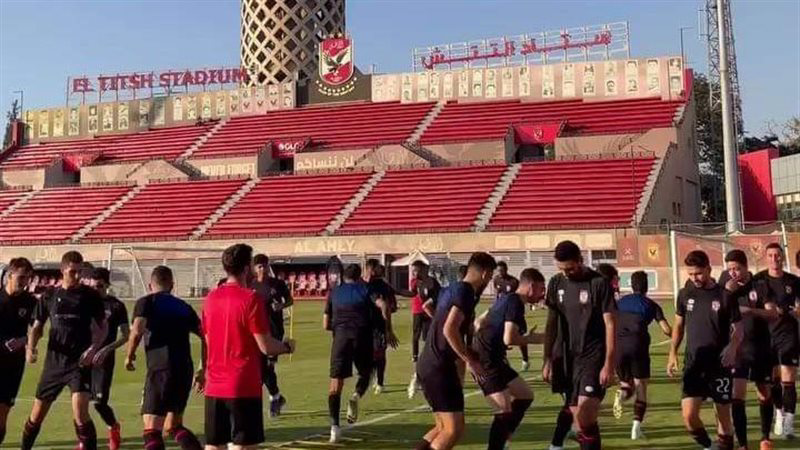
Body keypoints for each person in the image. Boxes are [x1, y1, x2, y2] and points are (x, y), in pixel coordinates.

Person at [203, 244, 295, 450]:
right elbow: (266, 346)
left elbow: (208, 341)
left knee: (214, 445)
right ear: (246, 269)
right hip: (242, 384)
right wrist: (287, 346)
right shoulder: (251, 299)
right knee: (243, 445)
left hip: (214, 384)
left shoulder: (210, 298)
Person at [21, 251, 108, 450]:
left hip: (79, 364)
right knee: (36, 415)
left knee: (80, 414)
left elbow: (103, 327)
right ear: (62, 270)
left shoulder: (90, 296)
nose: (77, 276)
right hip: (53, 364)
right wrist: (31, 348)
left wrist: (94, 348)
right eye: (72, 272)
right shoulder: (49, 296)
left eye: (80, 272)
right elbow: (37, 327)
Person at [416, 252, 497, 450]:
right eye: (490, 276)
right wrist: (470, 360)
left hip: (429, 363)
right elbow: (449, 329)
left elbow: (444, 323)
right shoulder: (466, 291)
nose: (489, 281)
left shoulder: (451, 289)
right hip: (439, 366)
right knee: (453, 429)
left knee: (442, 427)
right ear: (485, 273)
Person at [542, 241, 616, 450]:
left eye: (570, 269)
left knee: (585, 414)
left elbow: (610, 324)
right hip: (567, 358)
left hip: (593, 356)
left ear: (581, 261)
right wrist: (547, 359)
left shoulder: (598, 283)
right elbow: (551, 323)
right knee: (580, 419)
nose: (566, 273)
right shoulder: (556, 283)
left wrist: (609, 364)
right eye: (562, 269)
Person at [668, 250, 743, 450]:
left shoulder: (725, 296)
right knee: (689, 416)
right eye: (691, 274)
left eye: (699, 273)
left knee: (723, 417)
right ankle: (709, 446)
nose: (695, 278)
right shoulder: (685, 294)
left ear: (709, 269)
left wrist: (733, 346)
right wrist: (673, 353)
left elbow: (739, 329)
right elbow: (678, 326)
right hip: (694, 363)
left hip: (720, 364)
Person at [124, 266, 204, 450]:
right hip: (184, 370)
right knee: (172, 426)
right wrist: (203, 368)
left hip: (160, 368)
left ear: (150, 285)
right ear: (172, 286)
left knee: (151, 429)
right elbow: (206, 336)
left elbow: (137, 330)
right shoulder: (184, 307)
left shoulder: (146, 302)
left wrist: (129, 355)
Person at [473, 267, 546, 450]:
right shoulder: (514, 302)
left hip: (495, 357)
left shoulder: (508, 299)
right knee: (504, 410)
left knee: (525, 396)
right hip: (486, 360)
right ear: (531, 286)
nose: (542, 294)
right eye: (540, 289)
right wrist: (534, 339)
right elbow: (509, 338)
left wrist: (490, 337)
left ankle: (504, 439)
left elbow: (479, 321)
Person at [324, 263, 391, 443]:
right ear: (359, 276)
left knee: (335, 384)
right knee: (366, 372)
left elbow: (325, 324)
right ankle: (355, 395)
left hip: (341, 339)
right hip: (362, 336)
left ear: (343, 276)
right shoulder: (366, 289)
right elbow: (383, 304)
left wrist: (339, 328)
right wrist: (388, 329)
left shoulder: (334, 292)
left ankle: (334, 428)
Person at [721, 250, 778, 450]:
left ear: (746, 267)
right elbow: (718, 313)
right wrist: (727, 293)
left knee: (764, 393)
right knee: (737, 397)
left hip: (761, 348)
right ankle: (743, 444)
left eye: (737, 268)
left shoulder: (760, 286)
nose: (733, 273)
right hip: (738, 350)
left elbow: (773, 313)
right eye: (730, 269)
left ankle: (765, 437)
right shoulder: (726, 288)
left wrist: (750, 311)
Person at [611, 271, 672, 440]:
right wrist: (676, 335)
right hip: (638, 346)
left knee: (626, 385)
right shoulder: (651, 305)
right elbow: (666, 330)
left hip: (618, 347)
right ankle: (636, 428)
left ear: (631, 285)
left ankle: (622, 395)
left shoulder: (619, 302)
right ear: (647, 286)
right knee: (640, 387)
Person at [754, 243, 800, 439]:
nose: (774, 259)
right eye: (771, 255)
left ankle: (789, 423)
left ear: (783, 257)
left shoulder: (794, 281)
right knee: (774, 380)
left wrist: (797, 312)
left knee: (788, 379)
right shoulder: (758, 280)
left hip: (788, 335)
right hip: (765, 337)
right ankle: (779, 413)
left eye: (777, 255)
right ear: (766, 257)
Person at [86, 267, 129, 450]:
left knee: (99, 403)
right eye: (93, 286)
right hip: (83, 359)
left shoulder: (116, 306)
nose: (96, 290)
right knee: (79, 402)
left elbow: (126, 335)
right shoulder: (83, 303)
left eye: (99, 286)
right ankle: (85, 440)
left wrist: (107, 349)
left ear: (107, 285)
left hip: (103, 361)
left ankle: (113, 427)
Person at [252, 253, 293, 417]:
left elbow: (290, 300)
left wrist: (281, 306)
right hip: (256, 332)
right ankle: (276, 396)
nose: (263, 269)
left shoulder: (277, 284)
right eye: (260, 266)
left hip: (274, 330)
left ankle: (274, 398)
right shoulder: (251, 285)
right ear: (255, 269)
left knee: (268, 366)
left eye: (265, 266)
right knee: (260, 368)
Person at [0, 257, 34, 445]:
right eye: (21, 277)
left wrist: (26, 342)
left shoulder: (30, 302)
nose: (25, 282)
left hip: (14, 365)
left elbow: (36, 330)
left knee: (3, 411)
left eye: (27, 278)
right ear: (9, 276)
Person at [365, 259, 399, 395]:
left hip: (379, 324)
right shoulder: (364, 285)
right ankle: (372, 376)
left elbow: (390, 302)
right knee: (369, 354)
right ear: (371, 269)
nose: (382, 269)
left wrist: (388, 329)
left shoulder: (382, 285)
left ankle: (380, 382)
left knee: (380, 353)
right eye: (379, 267)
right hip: (365, 324)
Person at [408, 261, 440, 399]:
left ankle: (421, 374)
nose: (414, 273)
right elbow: (411, 293)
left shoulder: (431, 282)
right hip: (420, 312)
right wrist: (394, 290)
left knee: (429, 342)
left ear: (422, 270)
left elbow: (437, 296)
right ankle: (416, 365)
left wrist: (430, 304)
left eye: (416, 270)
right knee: (417, 337)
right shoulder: (416, 282)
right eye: (413, 270)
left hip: (431, 315)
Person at [493, 261, 529, 372]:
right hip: (502, 312)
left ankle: (525, 359)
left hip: (515, 312)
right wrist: (495, 306)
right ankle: (503, 359)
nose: (500, 272)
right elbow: (497, 294)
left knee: (520, 335)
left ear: (506, 270)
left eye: (501, 270)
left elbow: (521, 296)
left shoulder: (513, 282)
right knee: (500, 335)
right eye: (498, 270)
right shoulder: (496, 280)